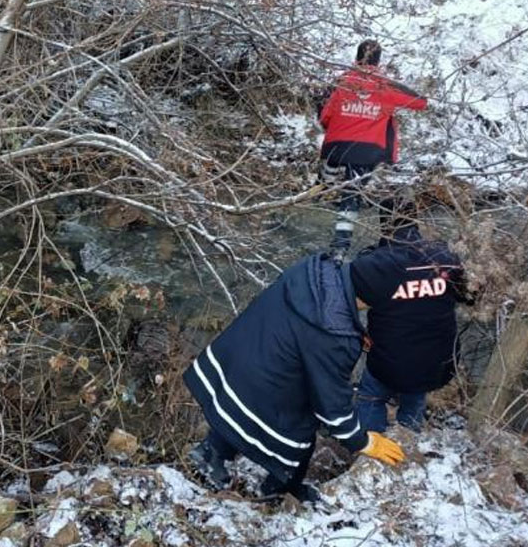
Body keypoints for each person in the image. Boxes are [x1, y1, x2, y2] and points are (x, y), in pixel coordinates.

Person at [183, 252, 406, 503]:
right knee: (300, 438)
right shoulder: (336, 336)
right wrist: (363, 441)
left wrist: (355, 330)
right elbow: (331, 407)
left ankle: (210, 452)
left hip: (233, 358)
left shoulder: (315, 268)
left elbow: (311, 325)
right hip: (260, 385)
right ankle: (277, 493)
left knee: (242, 396)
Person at [350, 199, 475, 432]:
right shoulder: (446, 257)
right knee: (415, 394)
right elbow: (469, 296)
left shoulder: (375, 264)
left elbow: (346, 300)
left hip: (389, 361)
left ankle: (370, 447)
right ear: (416, 221)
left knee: (370, 397)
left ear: (384, 225)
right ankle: (408, 442)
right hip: (437, 363)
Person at [318, 40, 428, 254]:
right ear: (379, 61)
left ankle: (325, 179)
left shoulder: (343, 82)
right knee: (351, 198)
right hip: (367, 151)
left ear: (356, 58)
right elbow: (421, 103)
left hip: (335, 146)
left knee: (335, 169)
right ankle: (339, 249)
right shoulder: (384, 85)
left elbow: (325, 117)